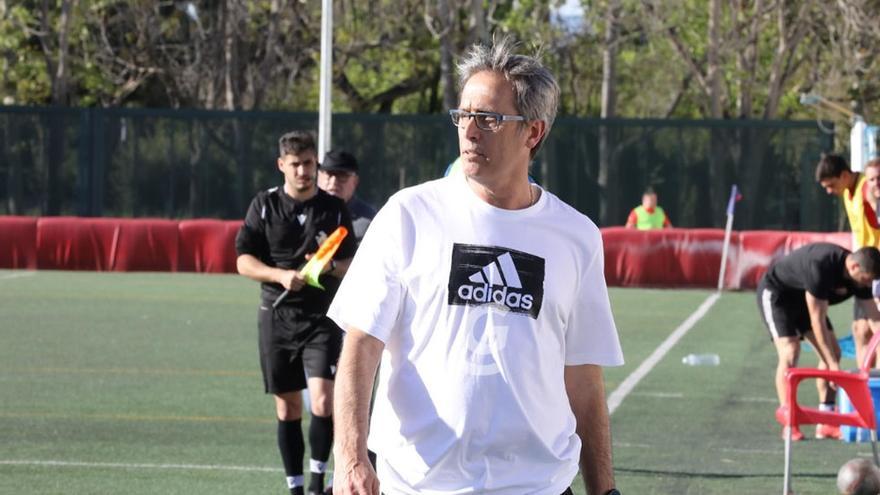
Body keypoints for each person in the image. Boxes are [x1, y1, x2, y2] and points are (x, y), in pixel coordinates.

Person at [328, 36, 624, 495]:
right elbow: (362, 343)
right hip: (419, 486)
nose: (469, 130)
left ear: (533, 132)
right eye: (463, 115)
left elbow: (583, 377)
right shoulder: (408, 214)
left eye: (489, 118)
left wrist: (604, 490)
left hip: (538, 487)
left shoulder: (576, 236)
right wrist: (351, 458)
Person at [235, 130, 358, 495]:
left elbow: (352, 263)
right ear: (281, 165)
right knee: (288, 408)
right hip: (277, 317)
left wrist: (327, 266)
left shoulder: (333, 208)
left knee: (323, 400)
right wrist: (280, 276)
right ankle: (296, 487)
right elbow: (243, 261)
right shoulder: (264, 205)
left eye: (308, 163)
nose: (303, 171)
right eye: (295, 165)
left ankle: (318, 481)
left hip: (322, 317)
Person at [756, 243, 880, 441]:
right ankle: (789, 422)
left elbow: (875, 320)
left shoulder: (861, 279)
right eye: (866, 280)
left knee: (835, 353)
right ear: (854, 267)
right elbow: (817, 321)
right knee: (790, 351)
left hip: (805, 301)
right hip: (778, 295)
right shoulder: (821, 265)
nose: (867, 285)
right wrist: (832, 366)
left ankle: (826, 422)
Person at [817, 154, 880, 390]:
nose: (829, 191)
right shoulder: (847, 191)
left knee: (876, 331)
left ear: (844, 175)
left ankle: (875, 393)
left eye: (831, 185)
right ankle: (865, 390)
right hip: (863, 272)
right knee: (860, 331)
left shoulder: (866, 189)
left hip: (875, 270)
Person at [317, 149, 377, 244]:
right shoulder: (307, 214)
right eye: (329, 174)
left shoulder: (370, 222)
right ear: (319, 177)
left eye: (342, 176)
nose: (334, 182)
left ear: (355, 181)